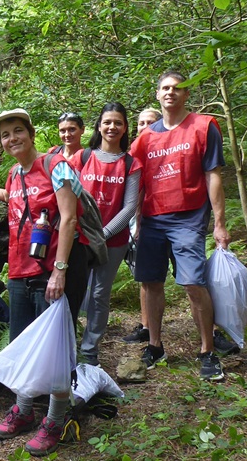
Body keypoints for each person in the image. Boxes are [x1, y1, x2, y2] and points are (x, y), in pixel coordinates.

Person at [0, 109, 88, 456]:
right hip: (21, 271)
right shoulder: (14, 174)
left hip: (52, 271)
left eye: (17, 131)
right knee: (23, 343)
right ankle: (24, 411)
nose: (12, 139)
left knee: (56, 348)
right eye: (5, 135)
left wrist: (60, 269)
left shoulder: (57, 167)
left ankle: (56, 419)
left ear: (31, 133)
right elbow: (9, 196)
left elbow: (69, 218)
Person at [130, 70, 230, 381]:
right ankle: (155, 346)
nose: (170, 92)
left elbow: (213, 175)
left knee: (192, 282)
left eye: (177, 88)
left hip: (188, 217)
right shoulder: (145, 138)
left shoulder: (203, 127)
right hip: (152, 219)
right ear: (157, 95)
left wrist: (220, 223)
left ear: (187, 94)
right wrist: (132, 222)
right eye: (164, 88)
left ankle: (207, 351)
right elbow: (133, 181)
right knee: (149, 282)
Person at [74, 102, 141, 367]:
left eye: (118, 123)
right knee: (74, 290)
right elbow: (70, 195)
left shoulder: (130, 163)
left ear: (125, 128)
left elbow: (130, 206)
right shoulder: (82, 157)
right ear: (99, 125)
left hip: (113, 241)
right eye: (107, 122)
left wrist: (102, 234)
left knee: (100, 293)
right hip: (80, 238)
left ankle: (90, 350)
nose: (112, 127)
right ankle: (68, 342)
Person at [122, 107, 162, 344]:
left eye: (150, 122)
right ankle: (146, 326)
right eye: (140, 122)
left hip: (166, 217)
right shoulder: (131, 155)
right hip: (137, 218)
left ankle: (212, 331)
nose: (144, 127)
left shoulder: (165, 149)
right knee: (142, 274)